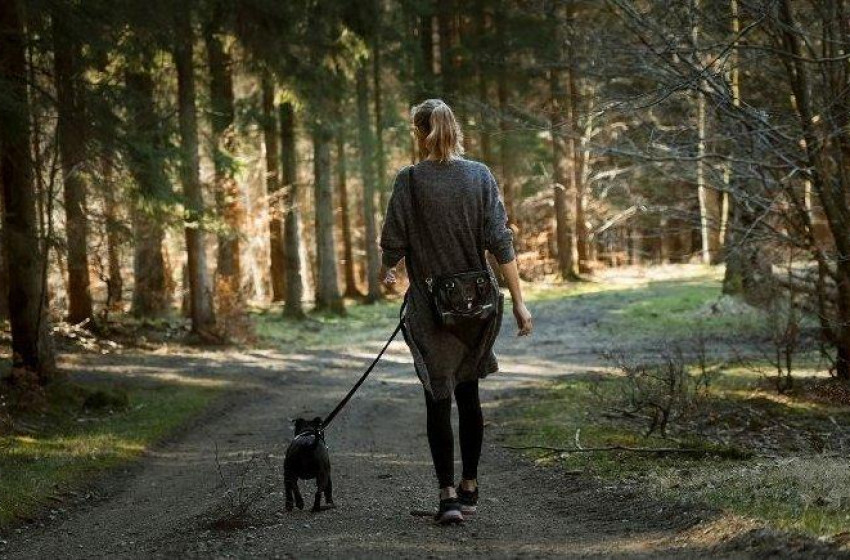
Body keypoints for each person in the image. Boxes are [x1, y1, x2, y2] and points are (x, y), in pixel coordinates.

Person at [379, 98, 533, 525]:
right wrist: (519, 300)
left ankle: (446, 496)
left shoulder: (408, 181)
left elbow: (392, 245)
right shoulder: (480, 176)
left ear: (418, 132)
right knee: (469, 393)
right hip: (480, 304)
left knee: (437, 396)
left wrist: (387, 275)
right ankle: (470, 485)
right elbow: (501, 242)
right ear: (454, 129)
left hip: (431, 307)